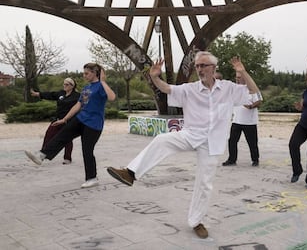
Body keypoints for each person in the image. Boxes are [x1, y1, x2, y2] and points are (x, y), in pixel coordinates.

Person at [106, 52, 260, 239]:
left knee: (204, 183)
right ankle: (130, 173)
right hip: (191, 134)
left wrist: (243, 72)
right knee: (162, 140)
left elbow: (253, 92)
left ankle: (196, 221)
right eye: (197, 66)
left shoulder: (228, 88)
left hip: (213, 142)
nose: (200, 69)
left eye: (203, 65)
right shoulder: (190, 89)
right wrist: (155, 77)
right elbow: (167, 89)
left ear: (213, 68)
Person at [24, 63, 116, 188]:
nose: (84, 75)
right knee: (63, 134)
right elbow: (78, 105)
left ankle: (92, 178)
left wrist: (103, 81)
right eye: (84, 73)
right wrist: (64, 119)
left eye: (86, 73)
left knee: (87, 151)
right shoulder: (86, 88)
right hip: (81, 119)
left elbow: (112, 97)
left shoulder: (101, 86)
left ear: (95, 73)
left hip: (93, 125)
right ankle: (42, 155)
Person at [30, 78, 80, 165]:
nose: (64, 86)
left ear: (72, 86)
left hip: (68, 121)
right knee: (48, 135)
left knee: (67, 139)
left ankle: (67, 158)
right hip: (57, 120)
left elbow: (81, 106)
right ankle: (42, 155)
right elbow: (50, 95)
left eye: (67, 84)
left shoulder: (77, 96)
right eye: (64, 84)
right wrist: (37, 94)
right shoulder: (61, 94)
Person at [222, 72, 263, 167]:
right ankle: (232, 160)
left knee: (252, 143)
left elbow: (259, 101)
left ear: (245, 78)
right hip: (236, 120)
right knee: (232, 141)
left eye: (239, 77)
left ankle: (255, 160)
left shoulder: (252, 89)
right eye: (236, 77)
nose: (237, 79)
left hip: (249, 122)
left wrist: (251, 106)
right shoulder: (235, 90)